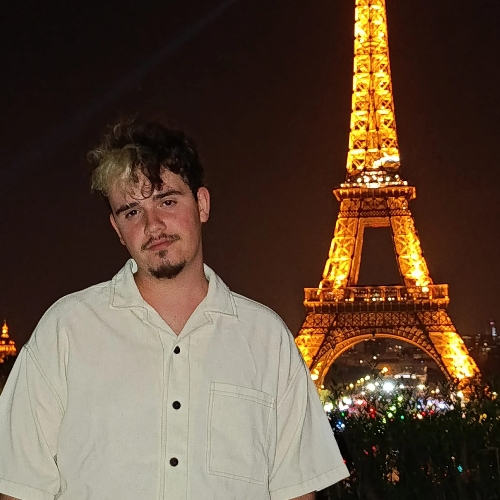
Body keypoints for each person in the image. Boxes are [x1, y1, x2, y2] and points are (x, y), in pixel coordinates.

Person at [0, 118, 348, 500]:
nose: (153, 225)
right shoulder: (64, 331)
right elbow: (19, 486)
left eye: (167, 201)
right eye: (132, 211)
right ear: (117, 229)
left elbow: (295, 491)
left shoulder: (267, 340)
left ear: (202, 204)